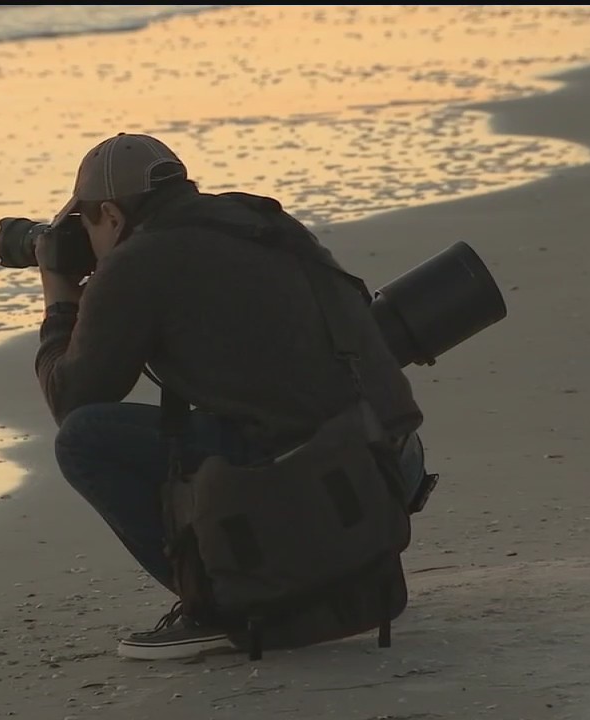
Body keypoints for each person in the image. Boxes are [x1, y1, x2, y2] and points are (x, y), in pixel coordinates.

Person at [33, 133, 428, 660]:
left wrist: (59, 296)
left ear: (108, 213)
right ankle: (323, 564)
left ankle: (218, 605)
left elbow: (72, 399)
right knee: (251, 411)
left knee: (84, 440)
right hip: (389, 463)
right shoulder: (260, 220)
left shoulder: (138, 263)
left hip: (306, 477)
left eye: (86, 224)